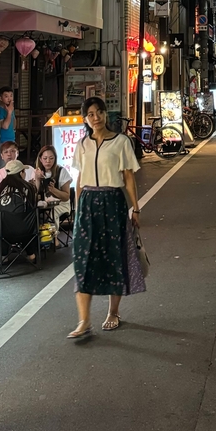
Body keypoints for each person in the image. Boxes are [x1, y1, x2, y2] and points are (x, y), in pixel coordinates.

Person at [69, 96, 145, 342]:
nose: (96, 117)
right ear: (85, 119)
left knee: (114, 257)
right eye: (90, 114)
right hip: (88, 204)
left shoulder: (122, 141)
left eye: (99, 112)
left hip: (113, 202)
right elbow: (80, 179)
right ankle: (84, 320)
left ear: (106, 114)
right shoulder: (82, 145)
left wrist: (135, 208)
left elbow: (129, 177)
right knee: (83, 260)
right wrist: (78, 208)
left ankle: (113, 312)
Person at [0, 158, 39, 261]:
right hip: (24, 231)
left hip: (2, 232)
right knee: (30, 219)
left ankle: (3, 254)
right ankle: (31, 253)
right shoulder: (28, 187)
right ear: (21, 172)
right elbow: (32, 207)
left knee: (2, 221)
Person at [34, 144, 73, 227]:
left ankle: (53, 238)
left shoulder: (61, 171)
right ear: (40, 159)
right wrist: (37, 179)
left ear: (55, 159)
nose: (48, 161)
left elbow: (66, 197)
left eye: (51, 158)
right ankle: (38, 238)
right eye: (45, 158)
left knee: (50, 213)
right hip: (43, 205)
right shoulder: (37, 172)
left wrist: (53, 190)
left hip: (61, 205)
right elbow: (34, 195)